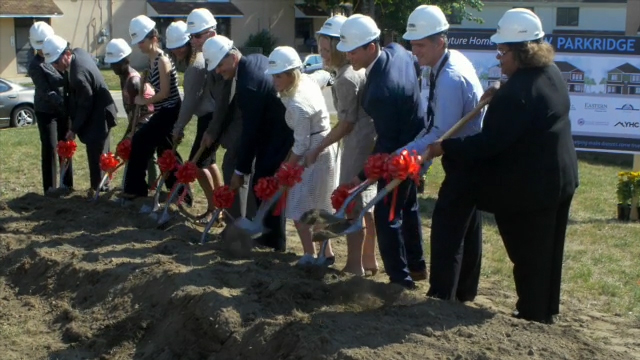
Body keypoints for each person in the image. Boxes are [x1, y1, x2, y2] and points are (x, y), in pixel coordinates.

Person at [426, 8, 579, 323]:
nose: (498, 57)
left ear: (523, 51)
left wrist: (446, 147)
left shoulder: (518, 94)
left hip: (532, 189)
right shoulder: (549, 74)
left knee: (529, 256)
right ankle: (543, 309)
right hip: (559, 179)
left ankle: (533, 315)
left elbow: (489, 144)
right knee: (548, 253)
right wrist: (501, 88)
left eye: (503, 50)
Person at [399, 5, 485, 302]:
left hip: (465, 158)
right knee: (468, 226)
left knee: (447, 228)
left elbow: (440, 135)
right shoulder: (441, 65)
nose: (415, 50)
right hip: (463, 154)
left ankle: (441, 297)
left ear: (440, 41)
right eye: (413, 44)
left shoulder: (450, 77)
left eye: (421, 44)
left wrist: (402, 156)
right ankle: (463, 293)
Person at [337, 14, 426, 289]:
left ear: (371, 47)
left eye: (353, 51)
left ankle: (401, 281)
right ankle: (417, 265)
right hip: (418, 138)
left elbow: (386, 142)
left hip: (402, 151)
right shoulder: (397, 51)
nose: (348, 57)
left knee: (387, 215)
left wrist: (362, 174)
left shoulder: (379, 91)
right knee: (408, 207)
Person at [201, 36, 294, 252]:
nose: (218, 71)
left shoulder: (247, 85)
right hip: (272, 130)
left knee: (266, 183)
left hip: (280, 133)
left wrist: (240, 170)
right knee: (262, 181)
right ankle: (269, 236)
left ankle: (274, 241)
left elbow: (249, 133)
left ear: (233, 57)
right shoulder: (254, 60)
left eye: (220, 65)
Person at [306, 15, 379, 276]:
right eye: (321, 50)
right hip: (366, 138)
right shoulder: (348, 73)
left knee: (351, 202)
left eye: (327, 50)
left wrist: (318, 147)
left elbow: (347, 122)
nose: (322, 55)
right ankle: (369, 259)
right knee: (364, 202)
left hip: (358, 140)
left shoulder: (347, 78)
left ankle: (354, 264)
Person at [267, 46, 340, 266]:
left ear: (292, 75)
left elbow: (301, 145)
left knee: (301, 207)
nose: (274, 80)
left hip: (314, 150)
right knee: (319, 204)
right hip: (323, 145)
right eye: (273, 75)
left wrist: (286, 169)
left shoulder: (298, 105)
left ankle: (309, 255)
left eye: (279, 76)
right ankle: (325, 254)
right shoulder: (307, 81)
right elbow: (323, 75)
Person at [121, 15, 191, 205]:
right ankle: (182, 194)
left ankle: (136, 189)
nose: (138, 46)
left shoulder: (162, 61)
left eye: (141, 41)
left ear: (153, 37)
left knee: (141, 141)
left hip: (170, 110)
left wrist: (143, 100)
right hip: (163, 111)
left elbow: (166, 92)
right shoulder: (151, 61)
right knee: (166, 152)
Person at [42, 34, 117, 198]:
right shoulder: (78, 53)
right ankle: (102, 187)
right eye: (53, 63)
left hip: (99, 116)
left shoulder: (78, 75)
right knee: (101, 154)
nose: (55, 66)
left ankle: (98, 191)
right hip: (98, 112)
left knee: (95, 154)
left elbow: (85, 105)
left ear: (66, 54)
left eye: (56, 61)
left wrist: (74, 129)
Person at [170, 10, 226, 225]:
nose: (192, 42)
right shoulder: (200, 59)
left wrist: (178, 127)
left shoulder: (196, 65)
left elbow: (190, 101)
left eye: (196, 37)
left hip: (209, 118)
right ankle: (219, 208)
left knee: (198, 165)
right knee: (210, 163)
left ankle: (215, 209)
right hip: (210, 115)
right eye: (191, 37)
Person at [103, 38, 158, 187]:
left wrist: (127, 135)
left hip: (146, 119)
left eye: (116, 63)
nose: (113, 67)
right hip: (136, 119)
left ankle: (149, 185)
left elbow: (138, 112)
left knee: (144, 153)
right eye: (111, 63)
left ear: (125, 60)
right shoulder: (123, 78)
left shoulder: (134, 81)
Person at [27, 22, 73, 194]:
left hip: (63, 108)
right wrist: (64, 106)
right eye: (39, 47)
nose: (42, 50)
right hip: (46, 111)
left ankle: (67, 184)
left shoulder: (58, 52)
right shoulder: (35, 65)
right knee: (50, 147)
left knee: (66, 145)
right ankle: (50, 187)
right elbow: (46, 91)